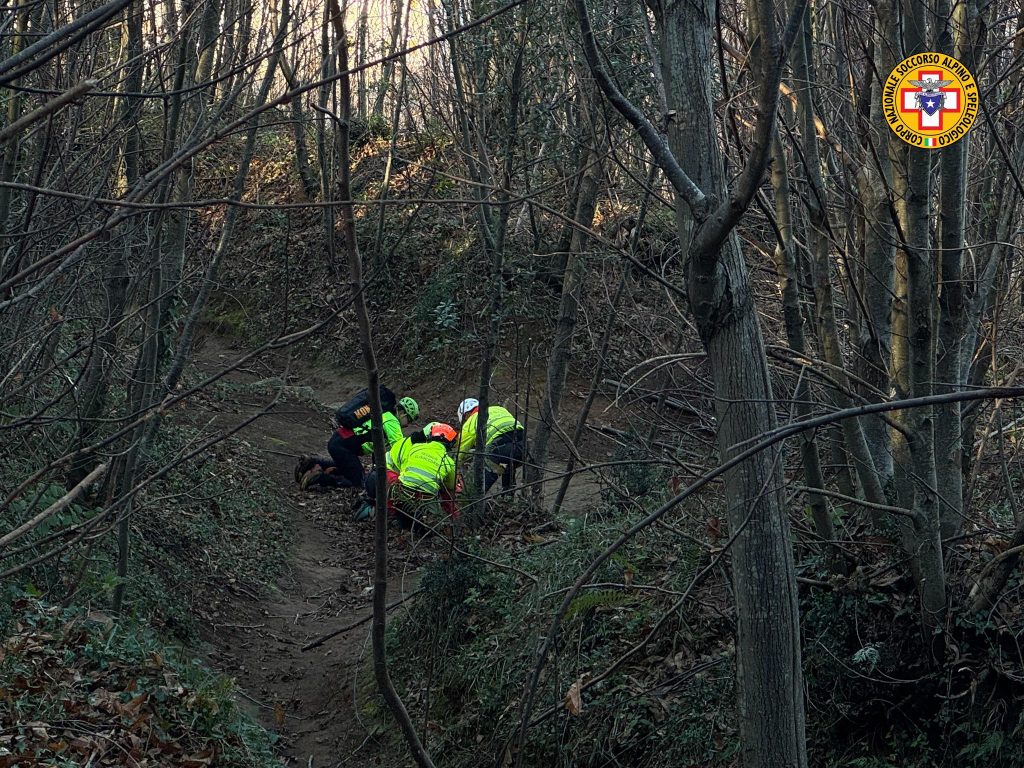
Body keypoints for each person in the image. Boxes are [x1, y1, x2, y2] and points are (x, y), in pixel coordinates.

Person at [297, 392, 419, 490]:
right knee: (358, 482)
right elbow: (401, 448)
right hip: (343, 446)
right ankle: (319, 478)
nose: (408, 425)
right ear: (402, 413)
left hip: (339, 440)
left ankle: (312, 462)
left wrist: (376, 467)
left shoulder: (383, 414)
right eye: (409, 420)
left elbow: (377, 447)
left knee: (350, 468)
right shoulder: (392, 422)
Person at [354, 422, 460, 531]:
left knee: (405, 502)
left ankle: (399, 517)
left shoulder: (416, 447)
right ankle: (378, 510)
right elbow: (450, 487)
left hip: (389, 484)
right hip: (382, 477)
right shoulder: (448, 461)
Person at [454, 397, 526, 493]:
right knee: (508, 464)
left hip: (500, 448)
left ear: (466, 415)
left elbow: (459, 453)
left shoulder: (470, 422)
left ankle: (472, 501)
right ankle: (508, 498)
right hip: (524, 445)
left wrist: (454, 472)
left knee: (477, 488)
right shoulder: (499, 409)